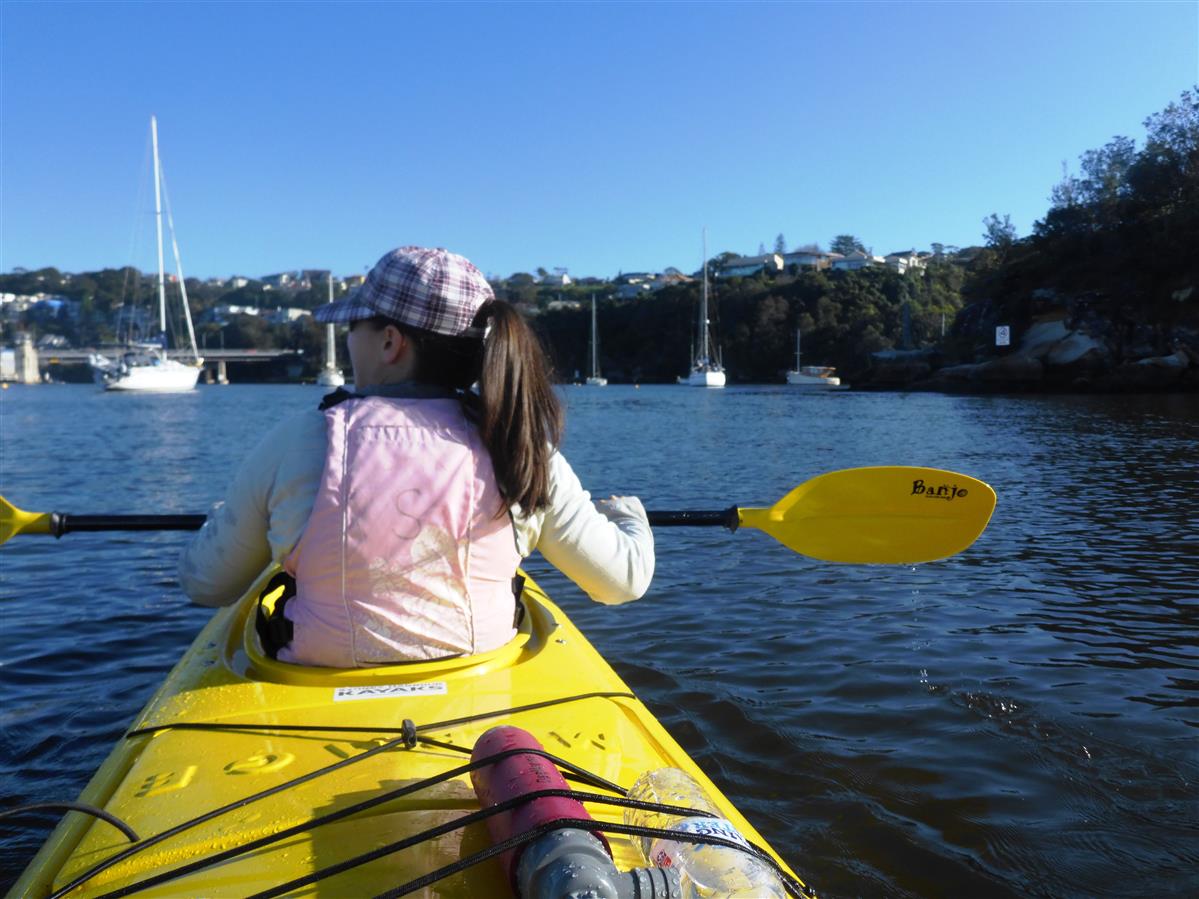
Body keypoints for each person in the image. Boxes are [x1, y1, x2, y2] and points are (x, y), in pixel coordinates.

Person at [178, 246, 654, 667]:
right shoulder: (520, 447)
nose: (347, 341)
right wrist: (629, 515)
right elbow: (622, 582)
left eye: (352, 327)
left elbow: (207, 584)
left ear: (389, 341)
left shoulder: (297, 442)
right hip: (475, 677)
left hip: (311, 681)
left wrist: (224, 520)